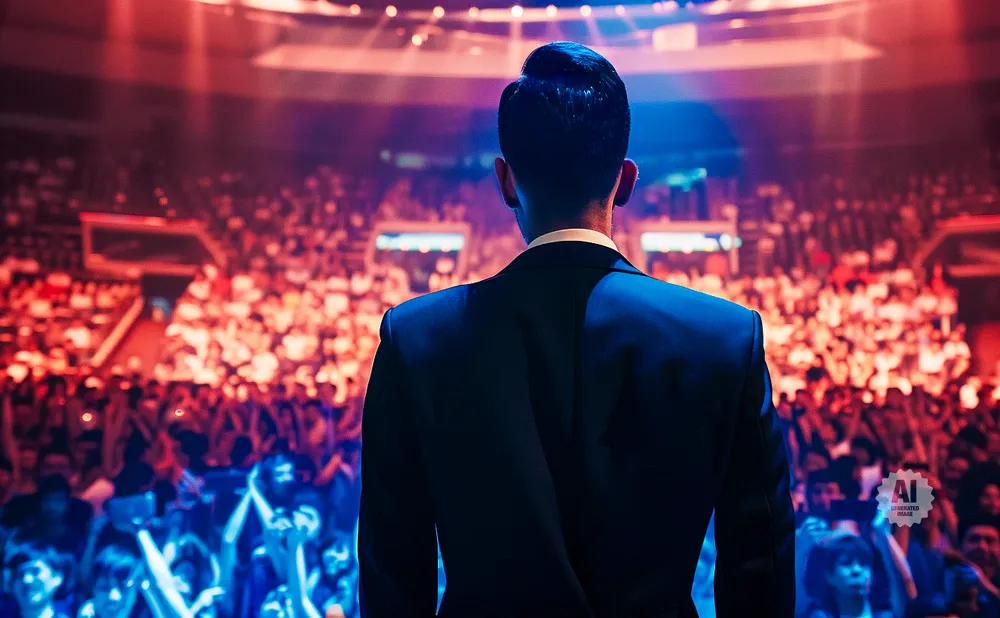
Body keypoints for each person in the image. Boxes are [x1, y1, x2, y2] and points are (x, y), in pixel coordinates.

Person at [358, 41, 795, 618]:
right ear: (625, 181)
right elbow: (758, 565)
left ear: (506, 182)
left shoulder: (416, 338)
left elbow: (393, 572)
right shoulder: (724, 338)